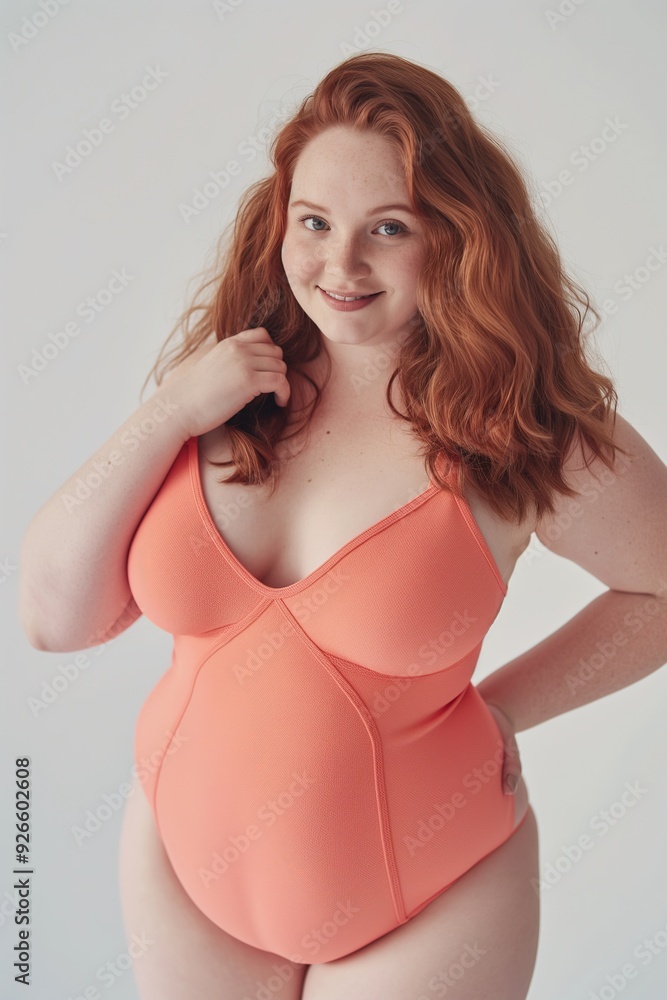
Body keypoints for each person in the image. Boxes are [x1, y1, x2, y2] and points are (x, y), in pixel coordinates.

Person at [19, 52, 667, 1000]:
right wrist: (167, 411)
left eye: (388, 229)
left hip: (426, 903)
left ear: (456, 238)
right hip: (180, 869)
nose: (339, 265)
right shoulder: (229, 388)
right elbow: (54, 620)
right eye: (313, 222)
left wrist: (504, 711)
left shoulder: (523, 426)